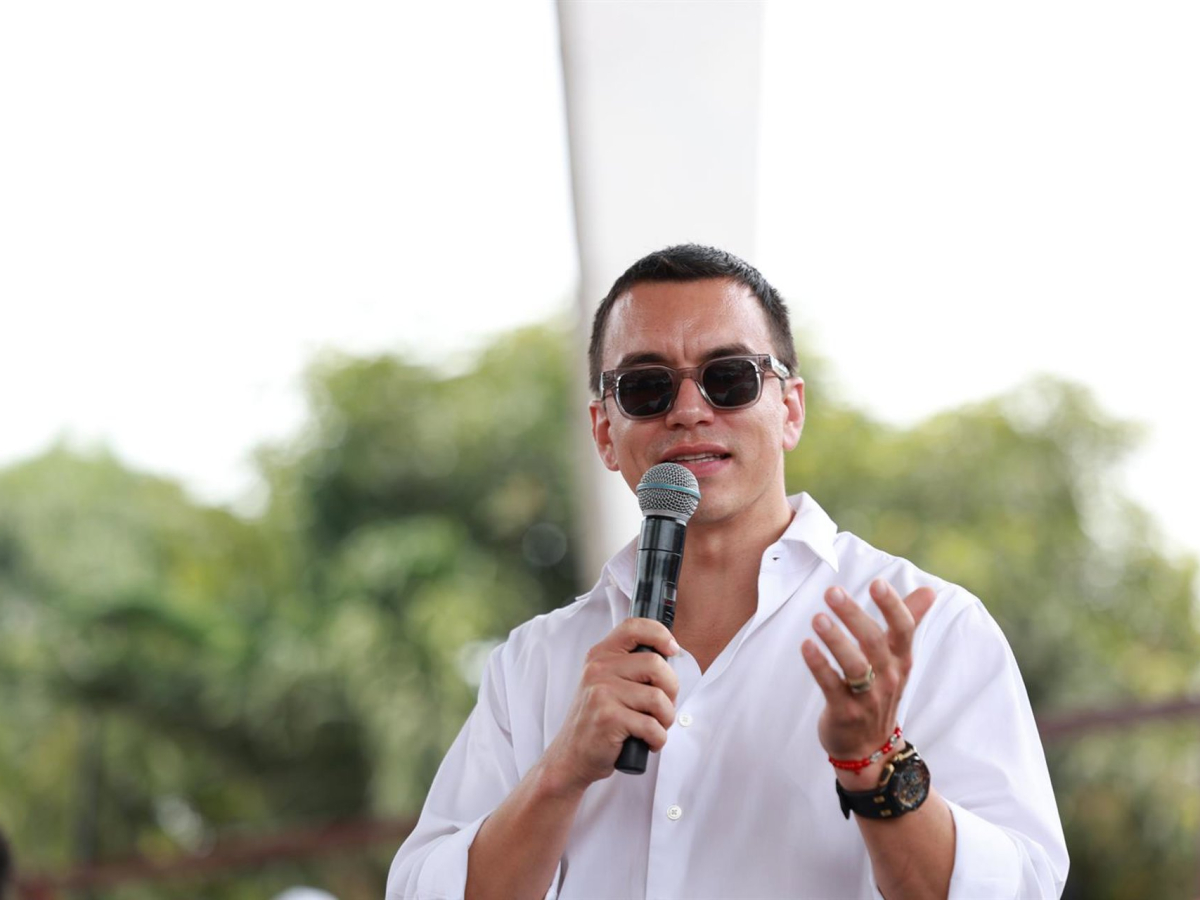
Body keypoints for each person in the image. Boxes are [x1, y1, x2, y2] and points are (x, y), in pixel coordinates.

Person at [386, 245, 1068, 899]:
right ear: (603, 431)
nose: (689, 411)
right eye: (647, 387)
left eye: (730, 377)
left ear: (790, 409)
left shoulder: (926, 628)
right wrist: (560, 772)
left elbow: (1016, 889)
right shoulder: (532, 663)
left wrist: (875, 762)